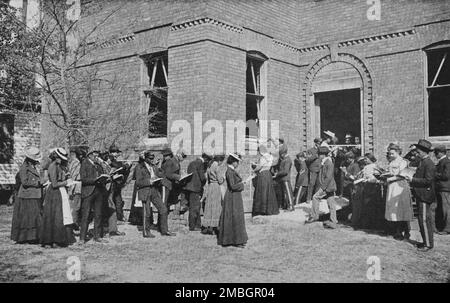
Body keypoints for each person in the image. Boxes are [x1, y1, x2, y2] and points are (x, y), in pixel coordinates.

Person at [39, 148, 76, 247]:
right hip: (54, 193)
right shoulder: (52, 166)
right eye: (60, 158)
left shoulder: (59, 166)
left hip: (59, 192)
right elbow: (54, 184)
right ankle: (50, 240)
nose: (61, 160)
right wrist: (66, 182)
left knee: (59, 216)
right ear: (55, 157)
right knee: (54, 216)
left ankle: (57, 239)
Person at [404, 139, 436, 252]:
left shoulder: (428, 163)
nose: (416, 154)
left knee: (423, 220)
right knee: (422, 220)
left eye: (418, 152)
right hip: (421, 194)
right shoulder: (423, 161)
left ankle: (427, 244)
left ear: (423, 152)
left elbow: (428, 180)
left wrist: (412, 179)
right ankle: (425, 242)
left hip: (424, 195)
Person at [135, 151, 175, 238]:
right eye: (150, 158)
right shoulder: (139, 167)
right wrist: (148, 181)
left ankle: (165, 230)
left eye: (153, 158)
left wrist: (159, 167)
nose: (152, 160)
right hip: (145, 191)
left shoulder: (154, 167)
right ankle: (146, 232)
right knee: (147, 213)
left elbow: (161, 175)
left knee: (163, 209)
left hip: (154, 190)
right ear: (145, 158)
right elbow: (138, 182)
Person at [11, 147, 43, 244]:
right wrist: (37, 183)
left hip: (33, 195)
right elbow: (24, 182)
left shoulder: (32, 166)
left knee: (33, 217)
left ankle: (32, 237)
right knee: (28, 218)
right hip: (27, 195)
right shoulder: (24, 167)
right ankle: (27, 237)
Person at [218, 153, 248, 247]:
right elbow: (233, 186)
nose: (238, 164)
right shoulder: (230, 172)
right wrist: (242, 184)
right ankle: (236, 240)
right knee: (235, 217)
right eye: (237, 162)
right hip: (233, 197)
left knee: (235, 217)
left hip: (235, 196)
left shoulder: (231, 171)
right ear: (233, 162)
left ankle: (235, 239)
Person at [384, 144, 413, 240]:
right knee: (393, 209)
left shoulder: (403, 162)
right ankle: (395, 230)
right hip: (392, 187)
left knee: (401, 208)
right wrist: (385, 175)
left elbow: (403, 175)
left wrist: (390, 179)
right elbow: (392, 172)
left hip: (400, 187)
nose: (390, 155)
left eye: (392, 153)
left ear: (398, 152)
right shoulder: (392, 162)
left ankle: (404, 231)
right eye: (390, 153)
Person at [80, 149, 108, 243]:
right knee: (86, 215)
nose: (97, 157)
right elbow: (83, 179)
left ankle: (97, 235)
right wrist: (94, 180)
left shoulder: (98, 165)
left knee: (98, 214)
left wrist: (105, 179)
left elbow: (103, 174)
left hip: (99, 191)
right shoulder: (84, 164)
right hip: (88, 192)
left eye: (97, 156)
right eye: (95, 155)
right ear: (89, 155)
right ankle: (82, 238)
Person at [306, 146, 338, 229]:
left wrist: (323, 188)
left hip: (327, 187)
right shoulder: (324, 162)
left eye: (319, 155)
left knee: (315, 197)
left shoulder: (329, 163)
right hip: (328, 186)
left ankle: (314, 216)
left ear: (323, 155)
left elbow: (328, 177)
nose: (318, 156)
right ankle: (333, 221)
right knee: (331, 203)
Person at [251, 145, 279, 216]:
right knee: (268, 192)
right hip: (268, 174)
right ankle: (270, 209)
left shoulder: (263, 157)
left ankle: (262, 210)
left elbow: (259, 167)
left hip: (263, 175)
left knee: (262, 191)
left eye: (259, 151)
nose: (259, 153)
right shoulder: (270, 156)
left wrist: (254, 169)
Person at [202, 154, 226, 235]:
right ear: (220, 161)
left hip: (210, 186)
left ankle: (209, 226)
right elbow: (220, 180)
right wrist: (224, 178)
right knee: (216, 206)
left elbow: (208, 178)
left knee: (210, 206)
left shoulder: (210, 165)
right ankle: (215, 226)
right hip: (216, 187)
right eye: (221, 162)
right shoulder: (217, 167)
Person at [184, 153, 208, 231]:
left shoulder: (192, 163)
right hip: (196, 188)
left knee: (194, 206)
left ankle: (197, 225)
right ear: (206, 159)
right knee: (195, 208)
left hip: (189, 188)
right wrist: (205, 181)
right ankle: (193, 226)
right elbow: (202, 178)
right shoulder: (200, 164)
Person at [108, 145, 131, 222]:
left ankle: (119, 216)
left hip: (117, 184)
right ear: (112, 152)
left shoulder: (114, 159)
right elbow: (117, 165)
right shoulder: (110, 158)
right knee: (112, 201)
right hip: (111, 184)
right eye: (116, 152)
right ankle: (112, 218)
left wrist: (126, 167)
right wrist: (126, 165)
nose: (117, 154)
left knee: (119, 201)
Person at [434, 145, 450, 235]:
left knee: (446, 209)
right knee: (441, 209)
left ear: (440, 153)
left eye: (436, 153)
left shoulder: (446, 162)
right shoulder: (443, 162)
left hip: (445, 189)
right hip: (441, 188)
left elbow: (446, 176)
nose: (435, 155)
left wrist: (435, 174)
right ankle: (442, 227)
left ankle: (447, 228)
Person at [274, 145, 294, 211]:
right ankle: (287, 206)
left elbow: (285, 171)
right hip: (283, 179)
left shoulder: (288, 160)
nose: (280, 156)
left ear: (283, 153)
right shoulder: (284, 159)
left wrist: (277, 174)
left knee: (288, 193)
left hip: (286, 179)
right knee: (285, 193)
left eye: (280, 154)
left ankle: (291, 206)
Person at [67, 147, 82, 230]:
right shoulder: (76, 163)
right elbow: (74, 176)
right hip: (76, 186)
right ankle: (74, 224)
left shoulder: (72, 163)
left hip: (73, 186)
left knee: (74, 206)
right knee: (76, 206)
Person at [306, 138, 321, 202]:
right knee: (312, 184)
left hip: (320, 169)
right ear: (315, 143)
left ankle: (316, 198)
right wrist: (315, 156)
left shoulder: (321, 150)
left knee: (319, 184)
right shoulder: (310, 150)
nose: (319, 144)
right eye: (318, 143)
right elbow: (307, 159)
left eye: (320, 143)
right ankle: (308, 198)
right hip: (313, 169)